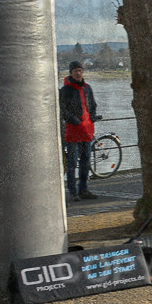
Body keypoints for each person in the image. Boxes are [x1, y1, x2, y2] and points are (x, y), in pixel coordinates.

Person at [60, 61, 100, 201]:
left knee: (85, 162)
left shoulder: (87, 88)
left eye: (80, 70)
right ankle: (73, 191)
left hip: (87, 131)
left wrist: (93, 117)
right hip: (73, 132)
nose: (78, 73)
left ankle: (84, 189)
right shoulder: (65, 90)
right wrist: (73, 120)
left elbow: (93, 105)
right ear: (70, 72)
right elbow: (63, 110)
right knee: (71, 164)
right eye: (75, 70)